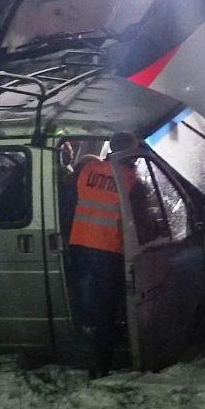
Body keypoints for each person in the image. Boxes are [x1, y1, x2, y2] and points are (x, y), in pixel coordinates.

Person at [66, 132, 141, 372]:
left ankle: (82, 346)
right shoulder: (130, 179)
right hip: (108, 249)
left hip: (79, 244)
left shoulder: (88, 170)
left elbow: (72, 196)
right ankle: (101, 364)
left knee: (84, 302)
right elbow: (141, 219)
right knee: (106, 306)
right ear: (130, 152)